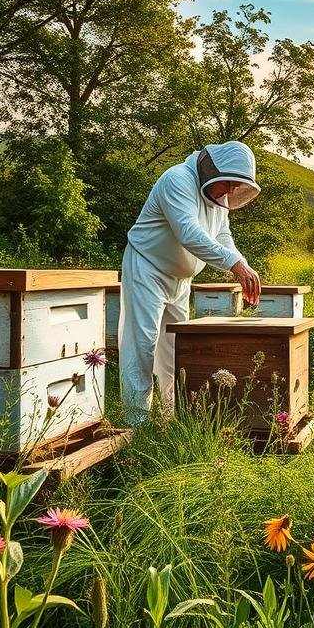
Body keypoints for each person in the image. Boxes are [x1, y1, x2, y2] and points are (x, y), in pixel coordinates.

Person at [118, 140, 262, 424]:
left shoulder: (218, 199)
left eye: (235, 186)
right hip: (147, 268)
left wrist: (241, 262)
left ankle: (171, 417)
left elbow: (222, 236)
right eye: (228, 183)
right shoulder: (177, 180)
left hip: (180, 279)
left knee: (176, 350)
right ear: (212, 170)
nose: (230, 191)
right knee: (143, 345)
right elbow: (189, 233)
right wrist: (233, 265)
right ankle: (136, 423)